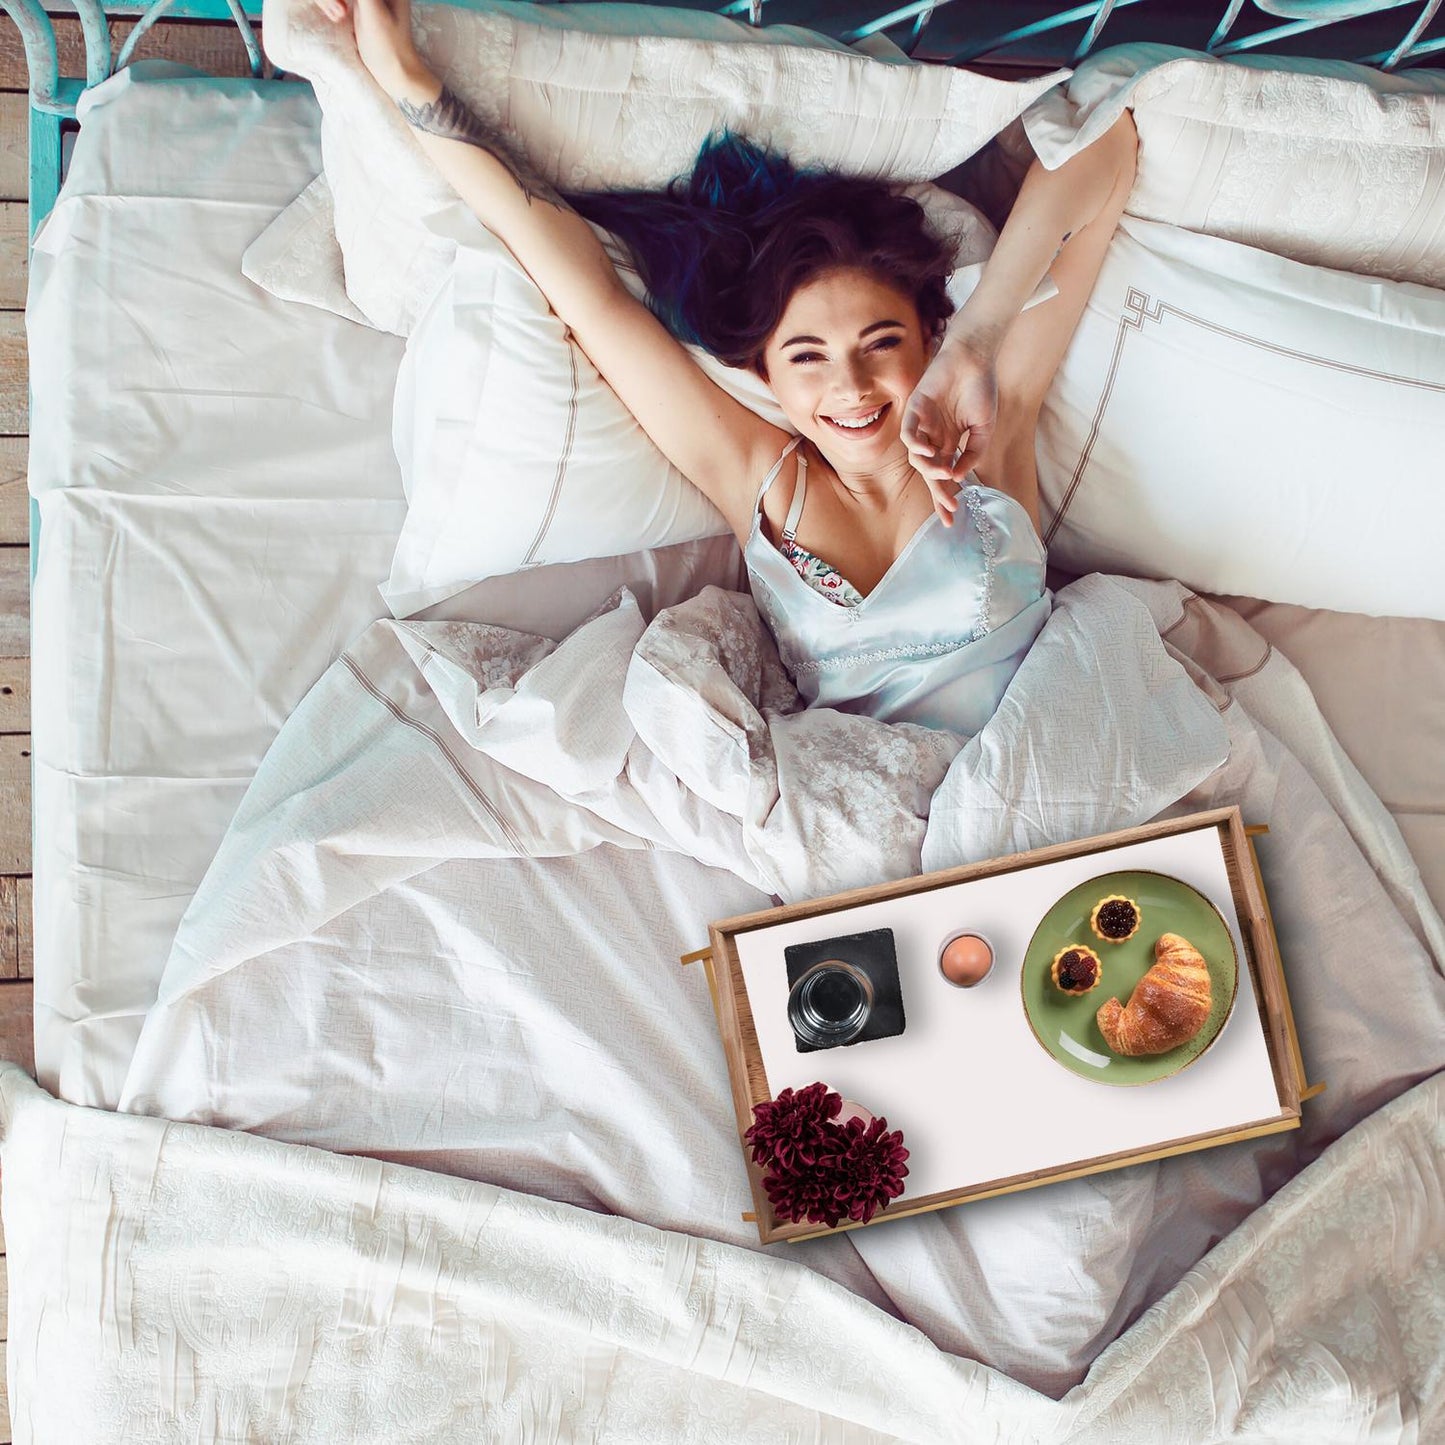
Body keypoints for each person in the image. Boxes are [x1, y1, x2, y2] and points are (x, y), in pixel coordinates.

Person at [319, 0, 1138, 733]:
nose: (848, 387)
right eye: (805, 357)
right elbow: (590, 295)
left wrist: (978, 341)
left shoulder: (994, 443)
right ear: (765, 375)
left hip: (1053, 785)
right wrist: (408, 80)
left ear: (926, 336)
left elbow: (1107, 144)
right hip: (870, 835)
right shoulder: (761, 480)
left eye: (880, 342)